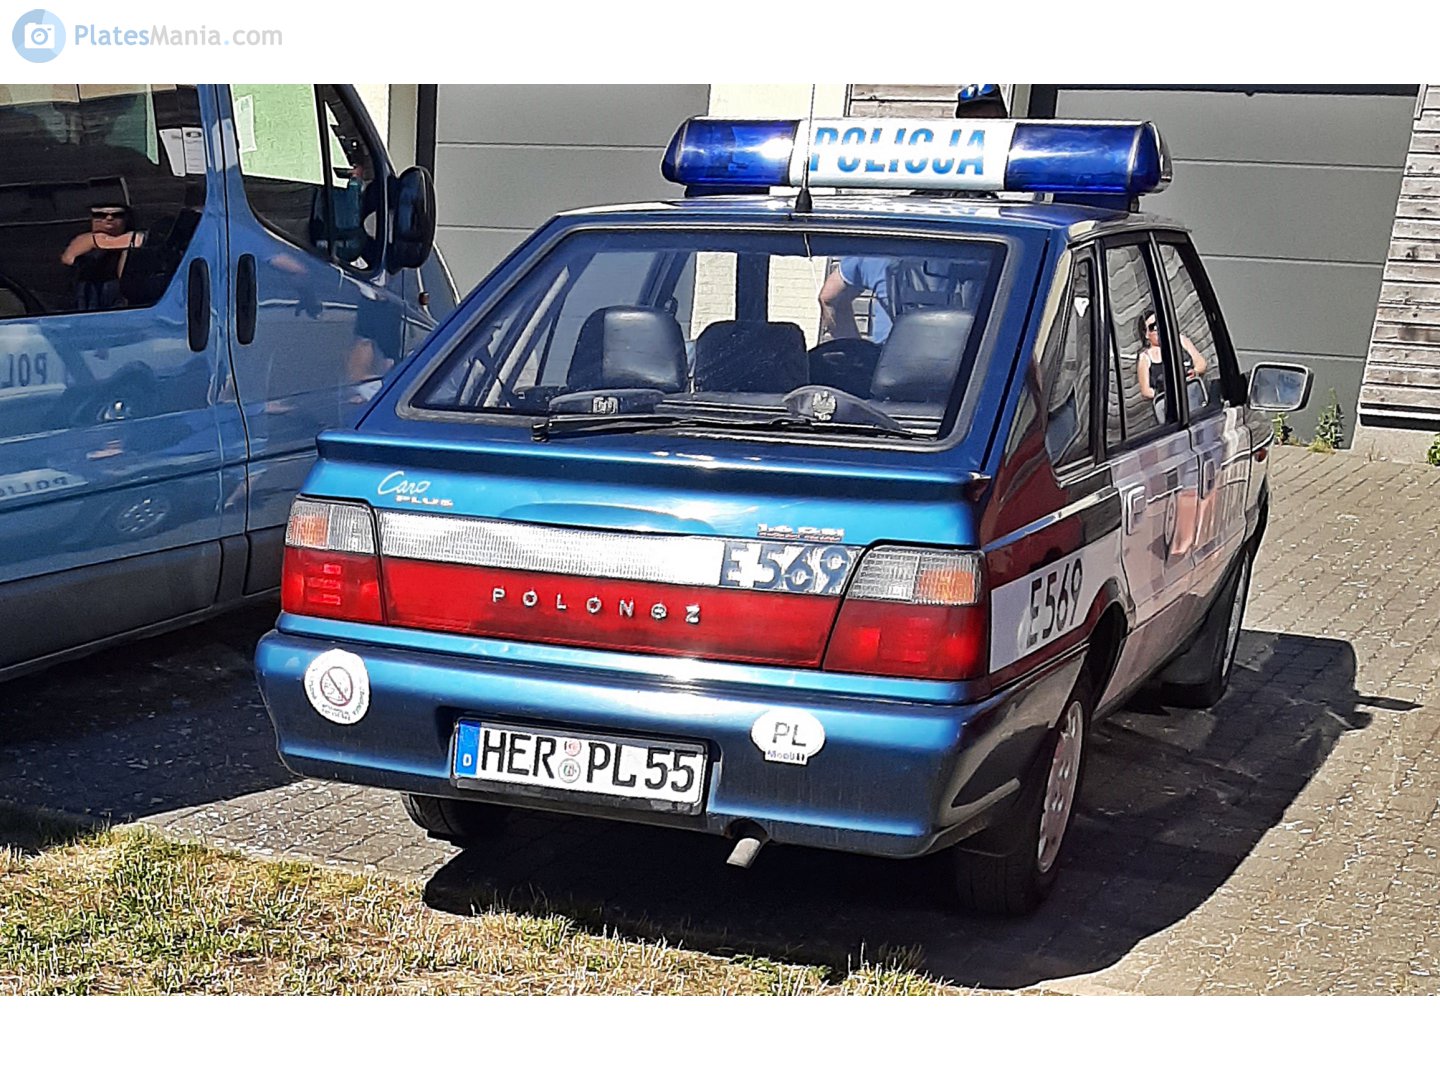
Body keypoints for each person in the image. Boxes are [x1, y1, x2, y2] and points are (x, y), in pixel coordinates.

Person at [60, 204, 145, 312]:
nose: (109, 218)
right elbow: (68, 259)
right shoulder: (82, 240)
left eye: (117, 215)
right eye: (100, 215)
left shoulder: (135, 240)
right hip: (90, 296)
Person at [1136, 309, 1209, 422]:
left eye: (1160, 323)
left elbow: (1201, 363)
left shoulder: (1180, 340)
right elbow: (1145, 391)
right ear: (1146, 334)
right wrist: (1163, 391)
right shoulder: (1145, 358)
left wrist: (1195, 372)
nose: (1158, 329)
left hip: (1193, 398)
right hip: (1169, 410)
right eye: (1153, 327)